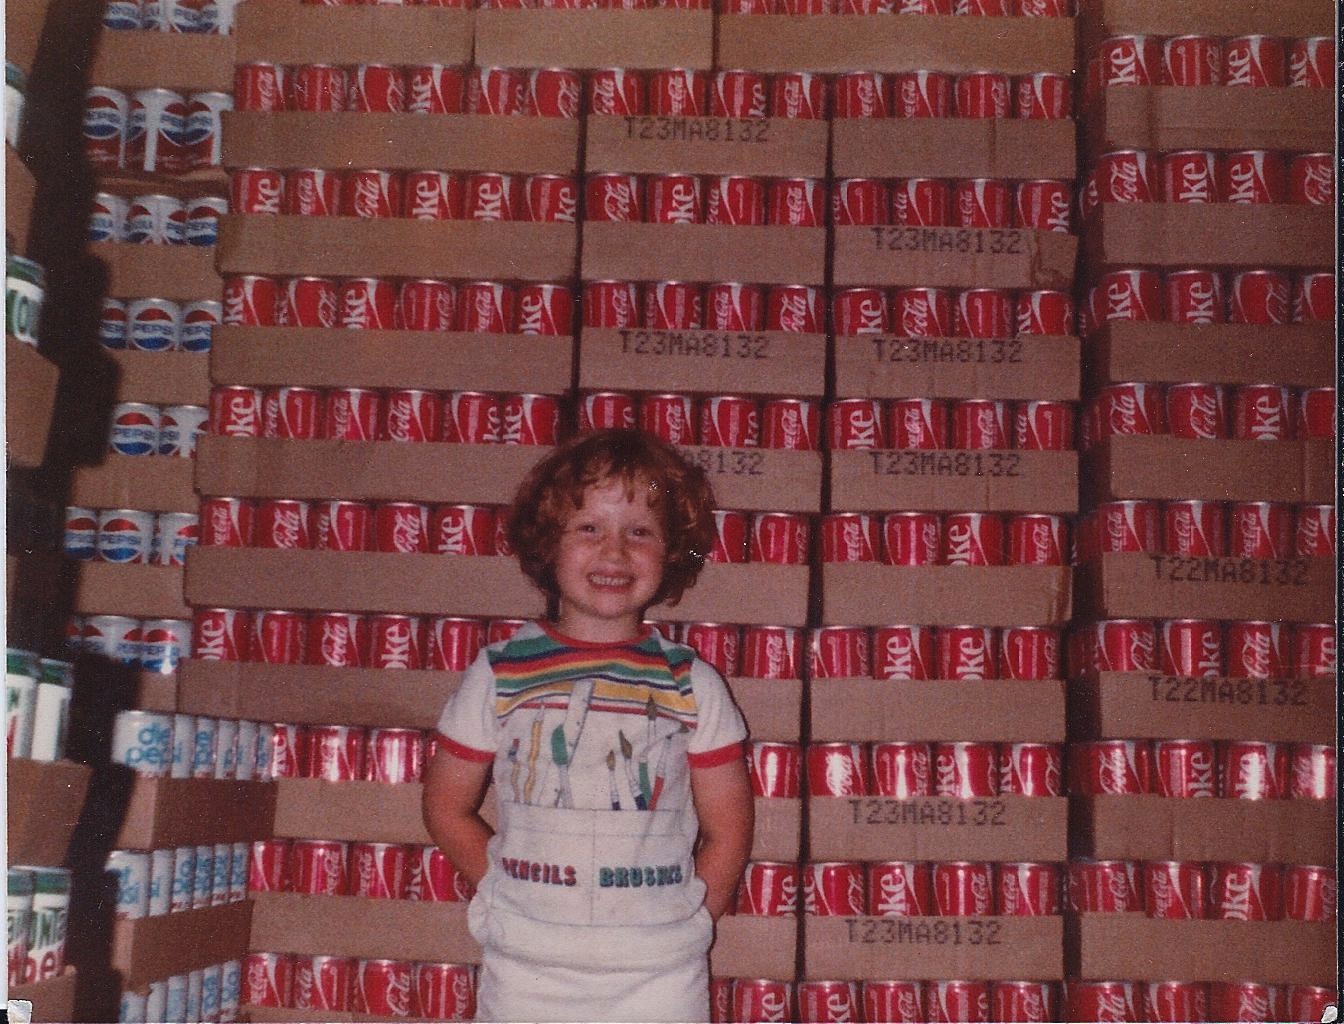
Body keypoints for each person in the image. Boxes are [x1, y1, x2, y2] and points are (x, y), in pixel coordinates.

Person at [422, 428, 754, 1022]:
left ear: (671, 552)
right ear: (547, 544)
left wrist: (692, 921)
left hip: (659, 978)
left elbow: (728, 831)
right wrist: (503, 891)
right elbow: (446, 806)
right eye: (588, 529)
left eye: (640, 532)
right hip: (527, 972)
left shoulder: (691, 682)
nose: (614, 552)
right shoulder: (499, 672)